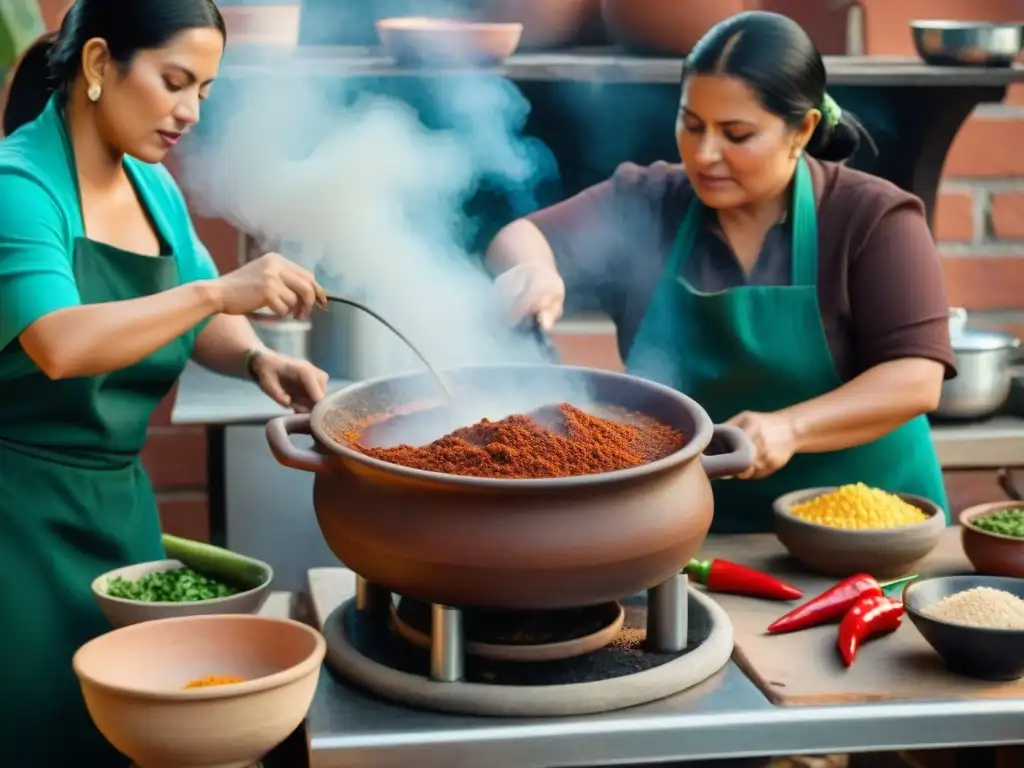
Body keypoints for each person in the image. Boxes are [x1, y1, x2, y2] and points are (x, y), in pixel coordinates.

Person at [0, 1, 329, 764]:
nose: (189, 112)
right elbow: (59, 342)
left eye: (204, 93)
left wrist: (256, 359)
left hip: (121, 524)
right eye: (175, 81)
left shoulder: (151, 185)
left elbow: (194, 308)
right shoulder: (19, 189)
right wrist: (218, 294)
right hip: (18, 528)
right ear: (96, 65)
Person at [488, 11, 955, 537]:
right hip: (694, 528)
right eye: (691, 125)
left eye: (737, 134)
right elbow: (520, 236)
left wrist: (790, 428)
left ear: (800, 130)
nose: (705, 155)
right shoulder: (650, 200)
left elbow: (917, 378)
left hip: (864, 535)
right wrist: (533, 272)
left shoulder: (872, 216)